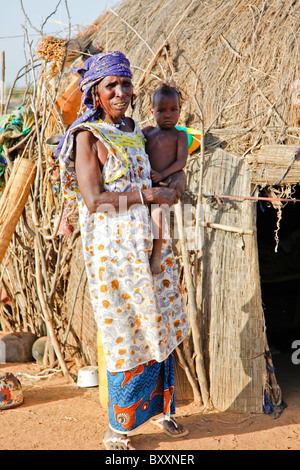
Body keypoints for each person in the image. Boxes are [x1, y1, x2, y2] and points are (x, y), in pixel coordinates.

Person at [56, 51, 189, 450]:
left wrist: (172, 188)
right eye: (111, 85)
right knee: (123, 331)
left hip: (149, 243)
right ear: (96, 90)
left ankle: (163, 412)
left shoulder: (136, 130)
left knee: (159, 324)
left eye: (125, 83)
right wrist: (148, 193)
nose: (120, 92)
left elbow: (164, 170)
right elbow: (94, 199)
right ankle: (120, 426)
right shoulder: (87, 136)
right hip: (113, 251)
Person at [143, 84, 188, 276]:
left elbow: (181, 161)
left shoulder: (180, 135)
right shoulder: (146, 133)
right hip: (146, 185)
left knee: (158, 214)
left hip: (166, 184)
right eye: (161, 110)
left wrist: (162, 175)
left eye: (173, 110)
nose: (168, 115)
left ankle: (156, 254)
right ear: (152, 111)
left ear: (180, 111)